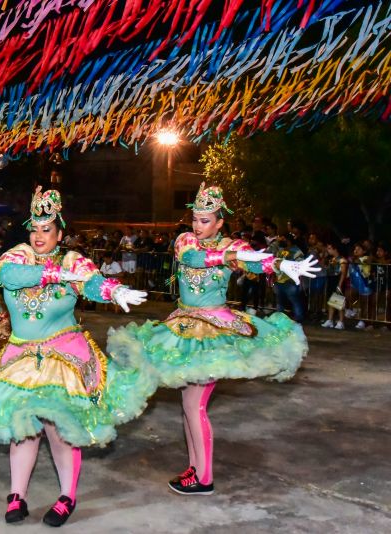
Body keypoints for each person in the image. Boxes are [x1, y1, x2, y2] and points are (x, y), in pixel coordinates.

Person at [0, 186, 152, 527]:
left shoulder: (74, 261)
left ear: (60, 232)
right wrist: (56, 275)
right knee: (23, 428)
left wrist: (115, 290)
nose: (39, 236)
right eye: (35, 228)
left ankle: (67, 495)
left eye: (47, 229)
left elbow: (92, 282)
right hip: (21, 357)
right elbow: (10, 276)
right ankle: (16, 496)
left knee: (58, 428)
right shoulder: (15, 258)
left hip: (63, 356)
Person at [107, 183, 319, 496]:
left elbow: (248, 260)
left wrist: (278, 264)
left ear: (220, 222)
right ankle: (196, 468)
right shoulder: (185, 241)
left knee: (195, 405)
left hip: (213, 332)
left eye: (205, 220)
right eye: (195, 218)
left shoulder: (232, 246)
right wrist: (238, 255)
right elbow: (195, 259)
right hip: (183, 326)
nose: (197, 225)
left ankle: (203, 478)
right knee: (188, 405)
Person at [270, 234, 306, 322]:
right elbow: (275, 263)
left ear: (288, 240)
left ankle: (299, 320)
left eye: (282, 239)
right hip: (279, 281)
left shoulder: (297, 251)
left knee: (294, 301)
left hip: (290, 281)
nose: (279, 241)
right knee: (280, 302)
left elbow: (300, 265)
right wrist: (274, 275)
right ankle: (278, 320)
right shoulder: (281, 250)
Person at [321, 241, 348, 330]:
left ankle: (341, 321)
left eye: (329, 248)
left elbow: (343, 274)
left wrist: (339, 285)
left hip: (338, 281)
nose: (328, 250)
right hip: (331, 280)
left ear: (335, 249)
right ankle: (330, 320)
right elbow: (325, 267)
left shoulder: (342, 260)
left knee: (339, 302)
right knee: (330, 300)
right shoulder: (330, 259)